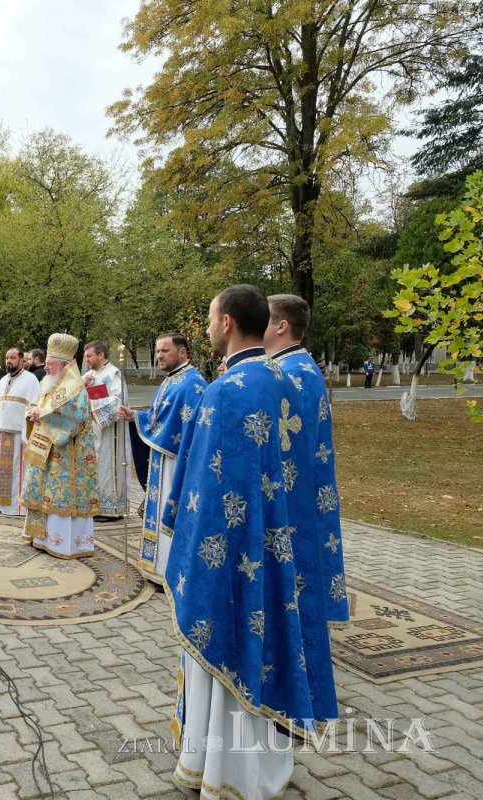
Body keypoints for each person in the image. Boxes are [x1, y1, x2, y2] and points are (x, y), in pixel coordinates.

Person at [165, 285, 331, 800]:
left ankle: (224, 772)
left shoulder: (227, 391)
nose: (207, 328)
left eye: (209, 319)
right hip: (278, 547)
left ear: (228, 322)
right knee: (269, 643)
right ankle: (261, 770)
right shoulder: (286, 379)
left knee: (228, 645)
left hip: (231, 555)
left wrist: (183, 549)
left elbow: (202, 490)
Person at [265, 294, 350, 618]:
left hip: (295, 486)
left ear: (282, 326)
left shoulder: (292, 372)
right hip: (301, 482)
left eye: (264, 319)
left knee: (298, 558)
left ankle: (298, 621)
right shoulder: (292, 365)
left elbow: (281, 435)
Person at [118, 333, 206, 583]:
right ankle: (157, 565)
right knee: (158, 510)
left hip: (177, 460)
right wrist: (135, 416)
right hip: (162, 456)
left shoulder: (193, 383)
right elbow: (159, 417)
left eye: (165, 351)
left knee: (170, 508)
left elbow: (190, 427)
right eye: (157, 351)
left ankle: (169, 569)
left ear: (182, 352)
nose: (159, 356)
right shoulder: (172, 380)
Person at [20, 334, 99, 556]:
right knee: (43, 492)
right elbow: (43, 408)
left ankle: (62, 542)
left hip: (67, 457)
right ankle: (41, 537)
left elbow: (75, 420)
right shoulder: (52, 385)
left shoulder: (75, 388)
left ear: (64, 365)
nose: (45, 367)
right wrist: (33, 412)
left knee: (60, 496)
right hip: (45, 452)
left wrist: (42, 415)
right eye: (46, 363)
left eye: (50, 363)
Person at [0, 348, 40, 516]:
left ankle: (18, 507)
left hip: (18, 434)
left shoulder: (30, 379)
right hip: (1, 433)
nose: (9, 361)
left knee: (18, 471)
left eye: (13, 357)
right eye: (7, 358)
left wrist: (26, 432)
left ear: (22, 360)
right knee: (1, 472)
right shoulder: (3, 380)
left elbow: (34, 405)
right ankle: (0, 504)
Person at [82, 341, 130, 520]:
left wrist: (92, 404)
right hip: (92, 430)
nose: (86, 360)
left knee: (107, 468)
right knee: (93, 467)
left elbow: (118, 401)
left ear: (101, 355)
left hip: (111, 432)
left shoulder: (113, 374)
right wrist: (82, 387)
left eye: (89, 356)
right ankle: (95, 506)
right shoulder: (88, 375)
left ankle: (112, 509)